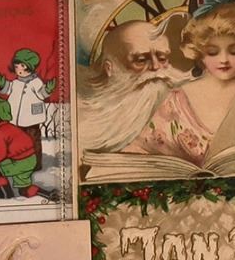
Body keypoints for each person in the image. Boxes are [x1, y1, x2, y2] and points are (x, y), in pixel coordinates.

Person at [125, 1, 235, 169]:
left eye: (234, 51)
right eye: (213, 52)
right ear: (200, 54)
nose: (224, 59)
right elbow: (140, 152)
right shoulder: (177, 98)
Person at [77, 16, 192, 157]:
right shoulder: (80, 117)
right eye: (141, 60)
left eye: (162, 58)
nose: (156, 66)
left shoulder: (181, 98)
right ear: (110, 68)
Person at [0, 47, 55, 162]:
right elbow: (7, 90)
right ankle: (19, 160)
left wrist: (47, 90)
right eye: (16, 66)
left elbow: (41, 95)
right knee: (18, 142)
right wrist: (2, 85)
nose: (18, 68)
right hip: (16, 120)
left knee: (33, 141)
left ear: (29, 67)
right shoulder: (15, 82)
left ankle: (36, 162)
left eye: (21, 66)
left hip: (32, 120)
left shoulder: (36, 82)